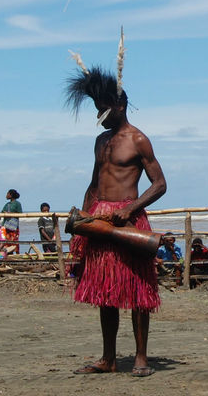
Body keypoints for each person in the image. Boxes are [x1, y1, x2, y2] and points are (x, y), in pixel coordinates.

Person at [65, 47, 166, 377]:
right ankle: (108, 358)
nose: (101, 115)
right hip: (99, 220)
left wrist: (130, 209)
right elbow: (94, 183)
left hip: (129, 221)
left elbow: (159, 184)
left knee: (138, 289)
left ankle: (141, 357)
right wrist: (83, 217)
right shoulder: (100, 142)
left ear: (120, 104)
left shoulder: (138, 140)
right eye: (97, 110)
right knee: (104, 290)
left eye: (104, 108)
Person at [0, 189, 23, 257]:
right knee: (6, 242)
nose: (6, 195)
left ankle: (17, 257)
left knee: (14, 242)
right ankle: (8, 256)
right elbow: (2, 211)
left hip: (14, 226)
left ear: (11, 195)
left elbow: (20, 213)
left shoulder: (17, 203)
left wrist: (11, 214)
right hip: (6, 226)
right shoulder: (7, 204)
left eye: (7, 194)